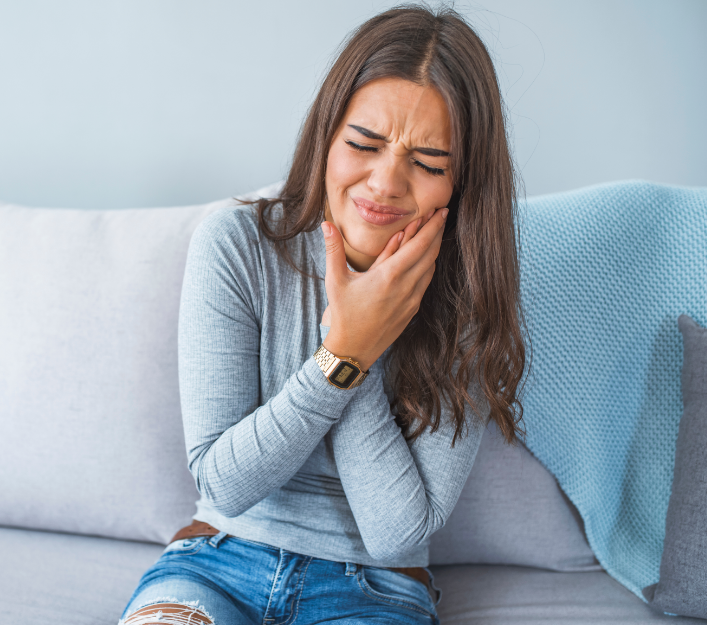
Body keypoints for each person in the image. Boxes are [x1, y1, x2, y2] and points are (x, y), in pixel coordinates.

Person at [118, 4, 527, 624]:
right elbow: (223, 484)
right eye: (364, 143)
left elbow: (397, 533)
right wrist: (346, 351)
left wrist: (362, 333)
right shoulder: (237, 244)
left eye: (427, 162)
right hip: (216, 564)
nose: (385, 183)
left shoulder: (468, 294)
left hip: (378, 589)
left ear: (462, 183)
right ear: (327, 138)